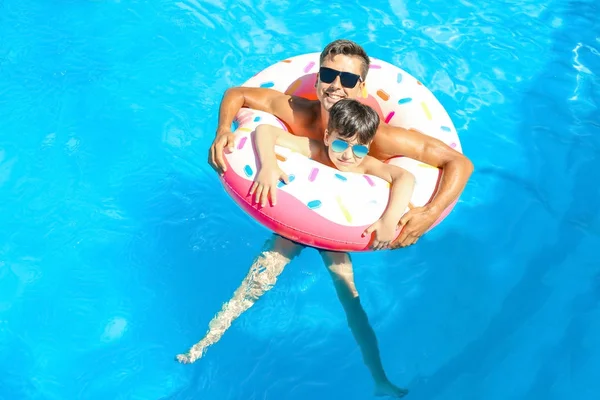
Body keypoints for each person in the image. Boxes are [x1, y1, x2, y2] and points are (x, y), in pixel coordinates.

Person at [177, 99, 414, 398]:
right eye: (340, 145)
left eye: (359, 148)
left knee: (352, 303)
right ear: (328, 136)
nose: (348, 156)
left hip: (335, 237)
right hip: (292, 229)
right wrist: (269, 165)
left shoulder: (365, 164)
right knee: (254, 284)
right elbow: (265, 131)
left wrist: (389, 219)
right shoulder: (314, 149)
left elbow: (404, 176)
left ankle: (380, 380)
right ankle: (205, 342)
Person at [208, 38, 473, 249]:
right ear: (316, 79)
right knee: (280, 251)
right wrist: (223, 130)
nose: (335, 85)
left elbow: (459, 162)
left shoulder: (380, 138)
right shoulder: (298, 113)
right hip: (304, 200)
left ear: (361, 89)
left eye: (347, 80)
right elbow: (237, 93)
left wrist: (430, 212)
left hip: (355, 212)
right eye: (328, 75)